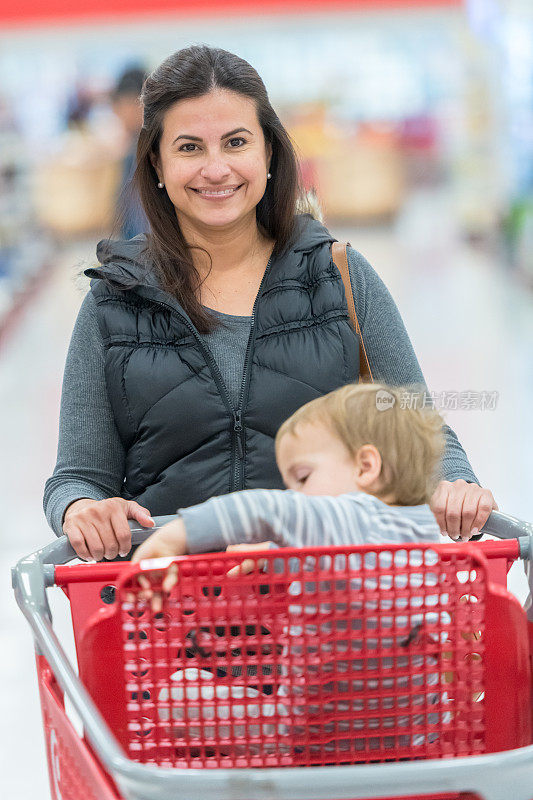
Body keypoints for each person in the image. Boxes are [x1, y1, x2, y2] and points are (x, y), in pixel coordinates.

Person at [43, 44, 497, 562]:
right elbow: (78, 476)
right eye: (190, 148)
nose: (216, 170)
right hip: (166, 616)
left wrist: (456, 484)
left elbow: (421, 426)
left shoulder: (338, 276)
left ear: (269, 154)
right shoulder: (113, 303)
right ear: (158, 165)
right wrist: (82, 507)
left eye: (236, 142)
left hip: (326, 613)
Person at [131, 381, 446, 575]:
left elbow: (268, 509)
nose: (293, 494)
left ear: (365, 467)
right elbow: (337, 569)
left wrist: (173, 538)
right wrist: (275, 552)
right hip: (410, 685)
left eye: (303, 478)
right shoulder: (420, 530)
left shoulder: (350, 516)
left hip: (326, 685)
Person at [110, 65, 149, 239]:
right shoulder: (131, 150)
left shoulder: (146, 152)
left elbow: (140, 220)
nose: (117, 113)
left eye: (120, 106)